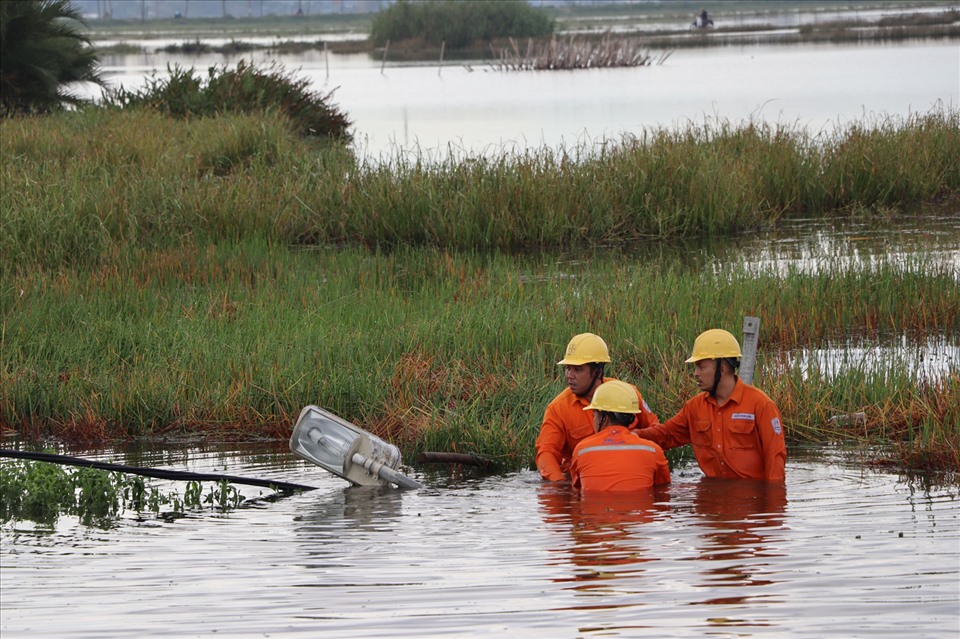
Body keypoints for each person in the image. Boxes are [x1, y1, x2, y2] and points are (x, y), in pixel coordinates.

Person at [635, 329, 786, 481]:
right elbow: (665, 435)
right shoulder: (694, 407)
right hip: (711, 498)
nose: (695, 373)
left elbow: (775, 457)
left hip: (751, 499)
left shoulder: (761, 405)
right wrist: (632, 436)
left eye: (701, 367)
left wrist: (772, 502)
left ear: (722, 369)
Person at [536, 333, 660, 482]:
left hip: (629, 476)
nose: (569, 375)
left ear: (598, 372)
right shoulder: (558, 409)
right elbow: (546, 453)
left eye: (578, 369)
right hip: (583, 482)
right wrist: (560, 486)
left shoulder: (629, 394)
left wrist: (635, 436)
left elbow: (657, 431)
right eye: (568, 368)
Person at [569, 380, 671, 491]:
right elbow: (663, 490)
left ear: (605, 418)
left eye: (595, 415)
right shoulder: (653, 451)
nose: (594, 419)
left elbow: (577, 489)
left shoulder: (581, 450)